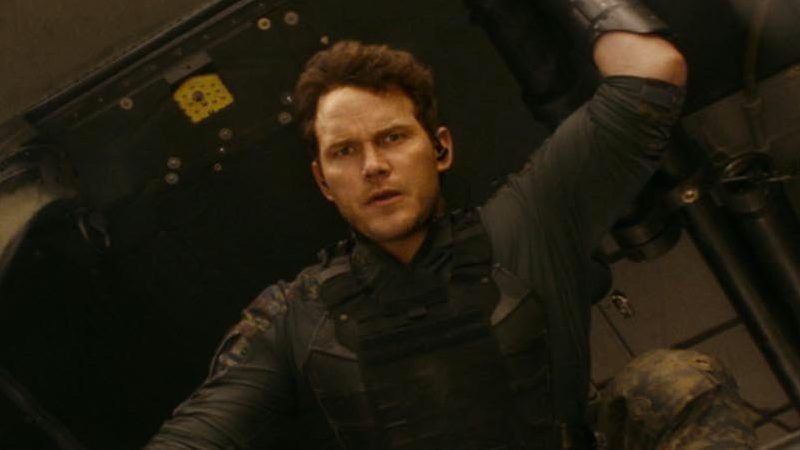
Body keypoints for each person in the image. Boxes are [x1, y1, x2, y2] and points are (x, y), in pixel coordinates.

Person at [144, 5, 755, 450]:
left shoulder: (527, 224)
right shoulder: (292, 317)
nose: (373, 166)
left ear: (439, 148)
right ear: (323, 182)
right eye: (345, 152)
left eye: (392, 138)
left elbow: (651, 68)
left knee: (671, 383)